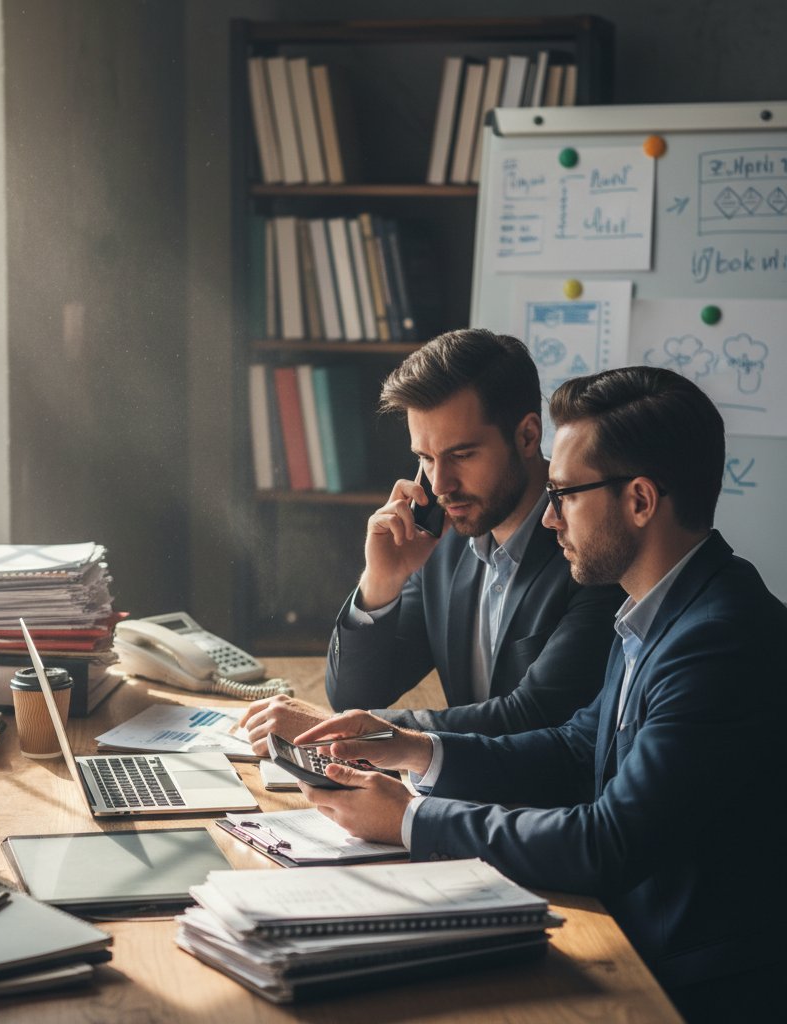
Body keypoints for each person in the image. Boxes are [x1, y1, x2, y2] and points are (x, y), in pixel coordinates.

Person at [294, 366, 786, 1022]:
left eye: (566, 495)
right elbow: (578, 745)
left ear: (640, 500)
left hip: (691, 986)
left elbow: (610, 841)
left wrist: (410, 820)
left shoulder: (718, 637)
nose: (549, 518)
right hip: (633, 944)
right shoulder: (664, 605)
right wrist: (414, 750)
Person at [241, 329, 623, 755]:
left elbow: (533, 716)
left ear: (528, 437)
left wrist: (348, 731)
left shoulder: (591, 549)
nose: (440, 485)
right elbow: (356, 695)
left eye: (461, 455)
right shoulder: (445, 543)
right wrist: (380, 582)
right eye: (425, 458)